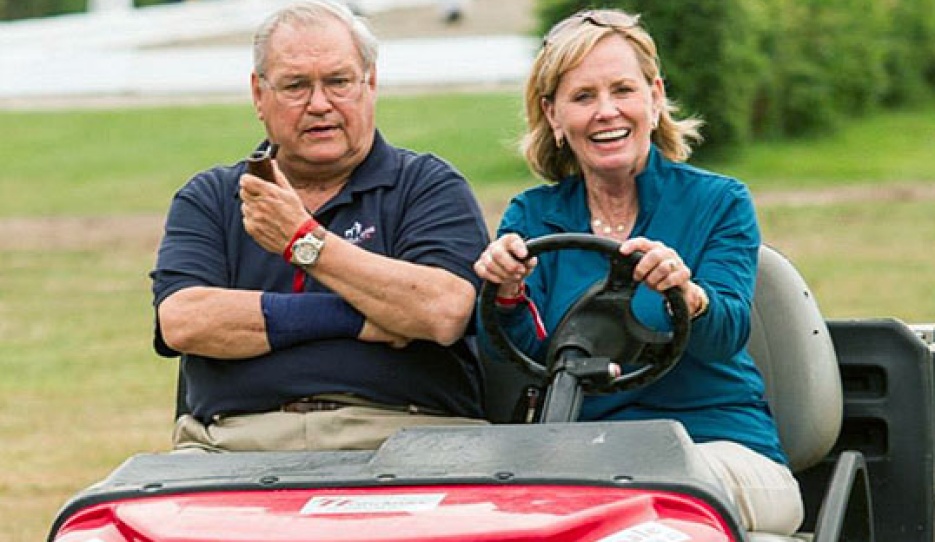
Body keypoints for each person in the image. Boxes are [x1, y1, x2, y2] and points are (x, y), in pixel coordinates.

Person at [473, 8, 803, 536]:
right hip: (588, 461)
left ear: (654, 97)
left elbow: (728, 331)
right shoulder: (532, 216)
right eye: (583, 97)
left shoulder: (719, 202)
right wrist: (506, 293)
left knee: (643, 522)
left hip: (719, 450)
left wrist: (688, 295)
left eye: (622, 90)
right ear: (553, 115)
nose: (606, 112)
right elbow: (518, 357)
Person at [151, 0, 490, 453]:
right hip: (235, 443)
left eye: (338, 81)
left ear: (370, 83)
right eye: (295, 86)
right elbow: (184, 321)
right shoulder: (211, 197)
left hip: (409, 439)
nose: (319, 104)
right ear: (258, 94)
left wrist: (303, 241)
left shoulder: (426, 186)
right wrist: (359, 318)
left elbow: (443, 312)